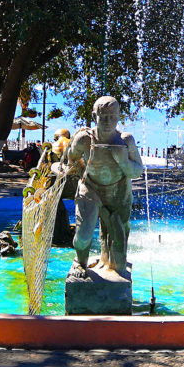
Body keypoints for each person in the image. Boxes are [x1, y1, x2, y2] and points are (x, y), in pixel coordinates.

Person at [56, 96, 144, 274]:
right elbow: (71, 160)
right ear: (94, 115)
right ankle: (80, 262)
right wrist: (79, 172)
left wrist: (124, 162)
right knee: (82, 237)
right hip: (90, 188)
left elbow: (137, 171)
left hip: (118, 192)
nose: (107, 121)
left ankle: (109, 260)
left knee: (118, 256)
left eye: (112, 116)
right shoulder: (84, 139)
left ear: (119, 117)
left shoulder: (126, 140)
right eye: (103, 116)